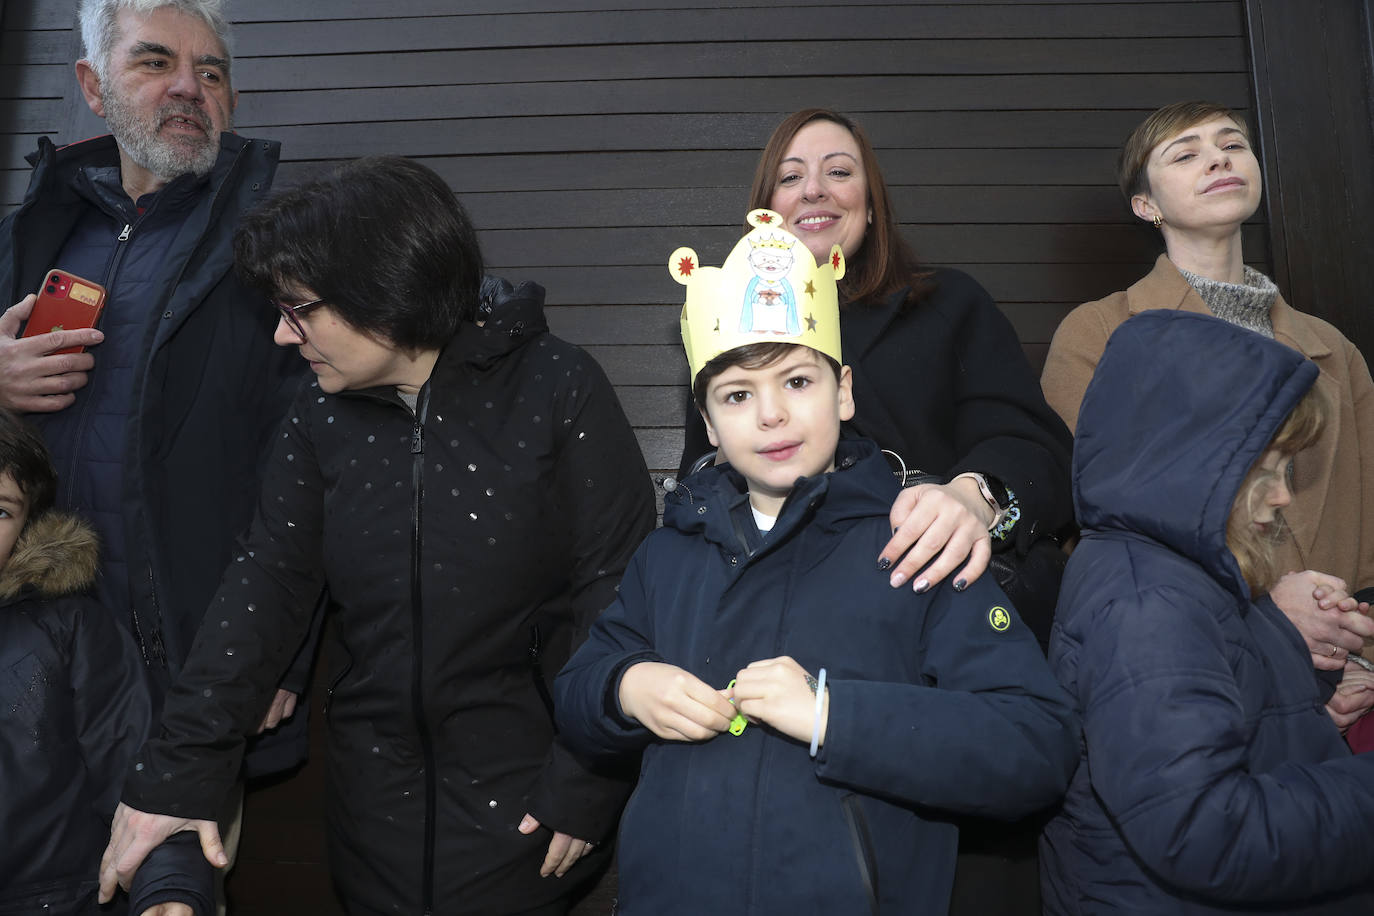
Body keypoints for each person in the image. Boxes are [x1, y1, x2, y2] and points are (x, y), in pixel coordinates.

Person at [98, 156, 657, 915]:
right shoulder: (320, 417)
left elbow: (618, 595)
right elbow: (264, 590)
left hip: (531, 804)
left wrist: (589, 778)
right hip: (372, 813)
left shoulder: (558, 388)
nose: (281, 335)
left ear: (384, 292)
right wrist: (175, 773)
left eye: (298, 309)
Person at [556, 210, 1079, 915]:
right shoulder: (671, 551)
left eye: (798, 383)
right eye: (738, 395)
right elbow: (579, 688)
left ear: (844, 392)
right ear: (708, 424)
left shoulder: (916, 545)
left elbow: (1036, 746)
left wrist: (834, 715)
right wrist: (626, 686)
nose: (771, 415)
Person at [679, 109, 1074, 639]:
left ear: (871, 204)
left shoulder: (950, 304)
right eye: (790, 177)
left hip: (937, 591)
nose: (814, 190)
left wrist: (973, 498)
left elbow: (1033, 448)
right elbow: (699, 482)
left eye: (838, 172)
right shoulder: (725, 329)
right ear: (765, 211)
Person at [1040, 309, 1374, 913]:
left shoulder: (1178, 565)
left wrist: (1310, 664)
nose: (1282, 495)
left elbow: (1222, 691)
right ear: (1191, 461)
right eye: (1263, 469)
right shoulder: (1149, 604)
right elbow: (1204, 833)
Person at [1040, 101, 1374, 680]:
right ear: (1146, 205)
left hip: (1345, 660)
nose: (1218, 158)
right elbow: (1109, 515)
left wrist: (1356, 654)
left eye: (1233, 145)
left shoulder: (1332, 348)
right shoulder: (1098, 332)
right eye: (1186, 154)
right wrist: (1267, 616)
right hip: (1195, 657)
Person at [0, 408, 212, 916]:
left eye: (0, 511)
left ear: (29, 527)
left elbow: (138, 771)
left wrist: (168, 887)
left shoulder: (71, 629)